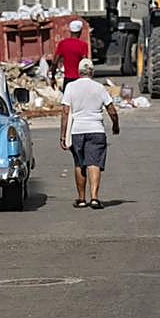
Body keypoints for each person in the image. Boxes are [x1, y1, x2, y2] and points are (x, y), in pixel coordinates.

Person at [59, 58, 120, 209]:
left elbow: (65, 112)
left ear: (79, 72)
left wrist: (62, 135)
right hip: (96, 130)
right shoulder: (99, 88)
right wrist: (115, 125)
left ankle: (81, 199)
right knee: (94, 163)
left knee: (79, 164)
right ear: (92, 72)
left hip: (77, 131)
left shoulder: (70, 87)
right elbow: (111, 109)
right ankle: (94, 198)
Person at [52, 20, 89, 91]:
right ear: (80, 32)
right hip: (79, 79)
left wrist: (53, 77)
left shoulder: (62, 44)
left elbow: (55, 62)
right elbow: (85, 63)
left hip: (68, 79)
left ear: (70, 31)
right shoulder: (83, 45)